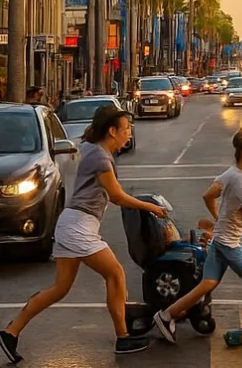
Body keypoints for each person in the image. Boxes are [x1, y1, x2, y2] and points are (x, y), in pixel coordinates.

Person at [0, 105, 168, 363]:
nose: (129, 134)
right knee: (115, 274)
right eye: (125, 129)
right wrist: (150, 207)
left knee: (60, 288)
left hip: (73, 223)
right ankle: (123, 337)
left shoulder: (93, 148)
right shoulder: (100, 156)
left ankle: (11, 332)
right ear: (112, 131)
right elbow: (116, 196)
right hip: (79, 227)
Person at [154, 130, 242, 343]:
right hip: (229, 243)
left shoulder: (231, 174)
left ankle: (166, 315)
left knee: (208, 282)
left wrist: (217, 217)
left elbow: (208, 194)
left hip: (219, 239)